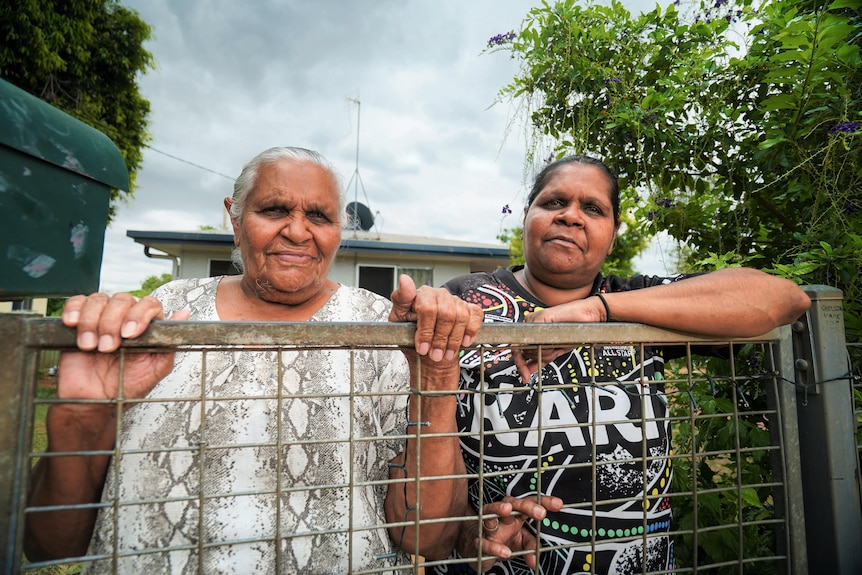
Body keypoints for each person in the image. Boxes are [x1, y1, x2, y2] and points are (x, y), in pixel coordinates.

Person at [24, 146, 482, 574]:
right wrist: (82, 418)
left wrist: (436, 377)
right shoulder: (169, 314)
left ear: (338, 232)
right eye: (275, 210)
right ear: (235, 217)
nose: (298, 231)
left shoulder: (380, 330)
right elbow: (49, 547)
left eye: (319, 216)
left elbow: (431, 540)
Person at [407, 155, 812, 574]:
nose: (570, 217)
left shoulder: (638, 302)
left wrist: (599, 310)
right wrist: (468, 528)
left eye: (593, 209)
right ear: (526, 215)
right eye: (553, 203)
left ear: (613, 235)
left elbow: (785, 299)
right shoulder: (469, 299)